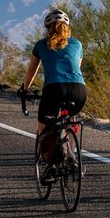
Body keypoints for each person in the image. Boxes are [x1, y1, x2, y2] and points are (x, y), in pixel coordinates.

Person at [20, 9, 87, 183]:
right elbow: (76, 68)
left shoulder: (41, 45)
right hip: (79, 90)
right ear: (67, 28)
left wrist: (24, 89)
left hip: (54, 89)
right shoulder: (77, 44)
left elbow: (31, 72)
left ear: (48, 28)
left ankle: (50, 166)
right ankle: (72, 156)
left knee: (44, 124)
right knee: (70, 119)